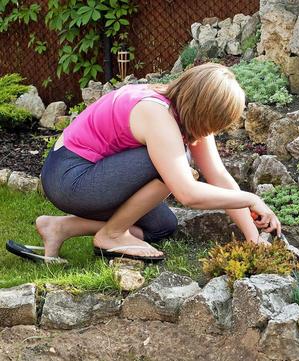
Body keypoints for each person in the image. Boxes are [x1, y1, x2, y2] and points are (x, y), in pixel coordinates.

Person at [9, 63, 280, 263]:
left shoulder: (184, 113)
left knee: (161, 226)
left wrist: (253, 238)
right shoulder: (156, 114)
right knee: (176, 166)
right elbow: (187, 193)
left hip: (89, 176)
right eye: (216, 123)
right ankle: (111, 236)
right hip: (70, 177)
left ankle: (59, 227)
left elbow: (218, 176)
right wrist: (250, 199)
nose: (215, 131)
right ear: (203, 109)